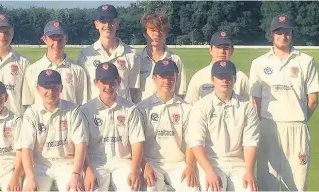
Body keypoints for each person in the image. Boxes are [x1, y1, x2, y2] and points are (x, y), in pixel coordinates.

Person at [250, 14, 318, 191]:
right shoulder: (259, 63)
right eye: (278, 32)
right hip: (269, 126)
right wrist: (263, 123)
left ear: (291, 33)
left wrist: (298, 117)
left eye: (287, 32)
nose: (283, 36)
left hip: (297, 127)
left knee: (297, 183)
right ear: (271, 34)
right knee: (267, 181)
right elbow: (255, 100)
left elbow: (313, 99)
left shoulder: (306, 61)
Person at [187, 60, 259, 191]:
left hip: (238, 162)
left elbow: (251, 142)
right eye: (220, 77)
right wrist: (209, 172)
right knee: (214, 188)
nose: (224, 81)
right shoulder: (201, 106)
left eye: (228, 77)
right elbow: (196, 143)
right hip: (212, 161)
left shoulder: (247, 107)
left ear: (235, 79)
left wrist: (249, 171)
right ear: (212, 79)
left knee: (249, 188)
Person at [80, 62, 145, 191]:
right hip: (95, 161)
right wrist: (87, 169)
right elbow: (82, 144)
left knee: (132, 188)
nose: (108, 86)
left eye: (112, 82)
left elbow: (137, 142)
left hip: (123, 161)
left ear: (119, 81)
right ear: (96, 83)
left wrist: (134, 170)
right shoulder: (86, 110)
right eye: (104, 82)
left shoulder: (130, 108)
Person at [20, 69, 88, 191]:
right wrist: (30, 177)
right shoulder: (31, 113)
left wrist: (76, 174)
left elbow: (80, 144)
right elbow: (26, 148)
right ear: (38, 88)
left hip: (66, 163)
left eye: (54, 87)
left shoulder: (72, 110)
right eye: (46, 87)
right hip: (40, 164)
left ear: (61, 88)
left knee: (75, 189)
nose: (50, 92)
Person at [136, 59, 198, 191]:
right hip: (151, 162)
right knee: (150, 189)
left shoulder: (187, 108)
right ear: (154, 78)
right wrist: (144, 165)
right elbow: (137, 142)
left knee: (192, 189)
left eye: (171, 77)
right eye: (162, 77)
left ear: (176, 78)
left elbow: (191, 142)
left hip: (178, 163)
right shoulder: (142, 108)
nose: (167, 81)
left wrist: (190, 166)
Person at [77, 4, 140, 103]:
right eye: (103, 21)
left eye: (111, 21)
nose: (107, 25)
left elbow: (134, 91)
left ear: (117, 23)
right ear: (96, 24)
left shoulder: (132, 54)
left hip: (122, 113)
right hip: (95, 114)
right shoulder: (85, 55)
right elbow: (82, 92)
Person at [22, 20, 88, 106]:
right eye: (52, 38)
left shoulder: (78, 71)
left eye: (60, 39)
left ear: (66, 39)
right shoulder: (32, 70)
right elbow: (28, 104)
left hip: (69, 119)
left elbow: (82, 105)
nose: (56, 43)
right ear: (44, 39)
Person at [184, 31, 249, 104]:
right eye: (218, 47)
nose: (222, 51)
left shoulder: (241, 78)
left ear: (232, 50)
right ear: (210, 50)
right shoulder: (198, 77)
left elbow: (248, 106)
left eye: (226, 47)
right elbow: (190, 106)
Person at [137, 12, 187, 100]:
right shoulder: (137, 60)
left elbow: (180, 92)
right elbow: (132, 92)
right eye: (152, 30)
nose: (157, 34)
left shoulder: (175, 60)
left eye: (161, 30)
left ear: (166, 33)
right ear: (145, 33)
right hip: (143, 110)